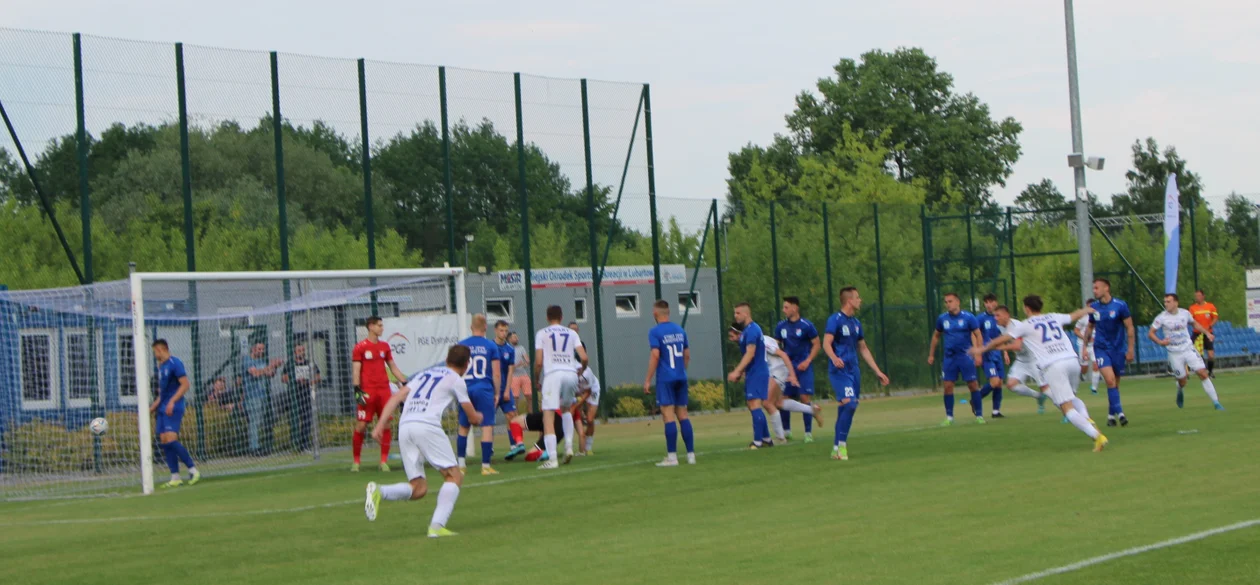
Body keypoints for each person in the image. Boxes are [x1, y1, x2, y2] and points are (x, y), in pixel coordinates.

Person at [363, 345, 479, 538]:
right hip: (426, 426)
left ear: (447, 358)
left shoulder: (425, 375)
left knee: (419, 488)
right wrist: (479, 417)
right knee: (454, 476)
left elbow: (397, 396)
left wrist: (379, 425)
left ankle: (379, 491)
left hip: (406, 426)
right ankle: (436, 527)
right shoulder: (456, 380)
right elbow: (472, 417)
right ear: (466, 365)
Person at [972, 295, 1108, 452]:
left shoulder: (1026, 324)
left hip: (1055, 365)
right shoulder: (1053, 316)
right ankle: (1086, 418)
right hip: (1072, 361)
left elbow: (1002, 339)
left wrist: (982, 348)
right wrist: (1088, 309)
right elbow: (1074, 315)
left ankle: (1097, 436)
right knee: (1071, 398)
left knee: (1066, 408)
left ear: (1027, 308)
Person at [822, 287, 890, 460]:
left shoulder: (856, 323)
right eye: (858, 298)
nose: (860, 301)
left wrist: (877, 371)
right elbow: (826, 343)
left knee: (847, 407)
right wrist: (834, 358)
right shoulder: (835, 320)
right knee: (850, 404)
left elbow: (863, 348)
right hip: (839, 370)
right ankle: (842, 447)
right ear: (849, 301)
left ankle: (836, 447)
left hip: (854, 370)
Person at [352, 316, 410, 472]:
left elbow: (393, 367)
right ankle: (356, 462)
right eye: (379, 325)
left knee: (386, 424)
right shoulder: (360, 347)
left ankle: (383, 461)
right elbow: (356, 370)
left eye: (382, 325)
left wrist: (405, 383)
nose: (382, 328)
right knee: (361, 425)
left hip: (383, 391)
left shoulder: (384, 347)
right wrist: (357, 390)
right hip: (367, 392)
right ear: (371, 327)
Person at [534, 305, 589, 469]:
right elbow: (584, 357)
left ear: (547, 317)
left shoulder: (542, 333)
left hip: (553, 375)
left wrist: (537, 378)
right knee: (566, 409)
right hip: (570, 374)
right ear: (562, 317)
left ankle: (552, 459)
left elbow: (538, 362)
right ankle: (569, 447)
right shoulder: (571, 333)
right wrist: (581, 370)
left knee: (548, 415)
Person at [1148, 293, 1224, 410]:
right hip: (1174, 353)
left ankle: (1216, 403)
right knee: (1183, 380)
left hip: (1188, 349)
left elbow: (1195, 324)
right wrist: (1160, 342)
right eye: (1165, 302)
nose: (1166, 304)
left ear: (1176, 303)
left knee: (1202, 373)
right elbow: (1151, 333)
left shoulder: (1185, 313)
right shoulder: (1161, 317)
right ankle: (1180, 389)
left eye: (1168, 301)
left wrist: (1207, 333)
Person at [644, 299, 695, 466]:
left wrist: (648, 379)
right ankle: (691, 455)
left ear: (655, 314)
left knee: (668, 415)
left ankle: (672, 457)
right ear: (669, 313)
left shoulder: (655, 332)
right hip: (681, 376)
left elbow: (655, 355)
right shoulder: (680, 330)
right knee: (683, 415)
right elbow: (687, 355)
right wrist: (683, 371)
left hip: (666, 378)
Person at [927, 293, 984, 426]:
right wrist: (931, 354)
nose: (948, 304)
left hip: (965, 356)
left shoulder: (969, 317)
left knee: (973, 384)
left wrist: (978, 353)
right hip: (950, 357)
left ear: (957, 302)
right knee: (947, 386)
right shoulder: (942, 319)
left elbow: (978, 335)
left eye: (950, 301)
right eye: (946, 302)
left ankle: (979, 415)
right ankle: (949, 417)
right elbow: (936, 336)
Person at [1085, 278, 1135, 427]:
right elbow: (1089, 327)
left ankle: (1110, 416)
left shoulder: (1120, 305)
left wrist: (1130, 349)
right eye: (1093, 288)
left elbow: (1130, 327)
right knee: (1109, 380)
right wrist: (1084, 349)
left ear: (1106, 288)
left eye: (1096, 288)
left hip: (1118, 349)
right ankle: (1121, 414)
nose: (1094, 291)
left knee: (1114, 384)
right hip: (1100, 348)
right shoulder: (1094, 307)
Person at [150, 339, 200, 487]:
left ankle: (193, 469)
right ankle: (175, 476)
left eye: (155, 352)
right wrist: (152, 407)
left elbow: (185, 385)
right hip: (163, 407)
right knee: (164, 441)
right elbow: (163, 393)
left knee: (171, 439)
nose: (154, 355)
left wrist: (172, 402)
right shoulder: (161, 367)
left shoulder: (175, 363)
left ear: (160, 350)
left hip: (174, 406)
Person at [457, 314, 502, 475]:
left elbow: (455, 370)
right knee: (487, 426)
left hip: (465, 388)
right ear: (485, 328)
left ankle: (461, 465)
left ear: (471, 327)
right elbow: (496, 373)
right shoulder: (491, 346)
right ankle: (485, 466)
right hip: (484, 388)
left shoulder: (461, 345)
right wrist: (497, 392)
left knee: (463, 426)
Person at [727, 302, 773, 449]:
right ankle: (766, 439)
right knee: (751, 404)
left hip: (758, 371)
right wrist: (743, 371)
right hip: (753, 371)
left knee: (754, 404)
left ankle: (757, 442)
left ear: (746, 314)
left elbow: (750, 353)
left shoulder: (753, 330)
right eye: (735, 313)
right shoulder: (746, 331)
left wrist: (737, 371)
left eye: (738, 313)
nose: (736, 316)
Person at [774, 296, 820, 441]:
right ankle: (787, 431)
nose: (784, 310)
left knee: (804, 397)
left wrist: (808, 360)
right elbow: (776, 347)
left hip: (803, 367)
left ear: (795, 308)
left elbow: (817, 344)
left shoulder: (807, 325)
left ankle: (808, 433)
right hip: (787, 368)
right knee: (783, 398)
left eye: (786, 307)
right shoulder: (781, 326)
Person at [992, 306, 1052, 414]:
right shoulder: (1000, 327)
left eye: (998, 315)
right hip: (1021, 360)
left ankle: (1068, 410)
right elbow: (1004, 338)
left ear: (1006, 315)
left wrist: (999, 348)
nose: (995, 318)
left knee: (1046, 389)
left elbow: (1017, 346)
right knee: (1011, 385)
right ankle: (1038, 397)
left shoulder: (1016, 326)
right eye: (994, 315)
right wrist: (1005, 352)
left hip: (1034, 359)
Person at [242, 341, 284, 456]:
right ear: (253, 349)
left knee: (260, 421)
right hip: (252, 396)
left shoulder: (261, 361)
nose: (261, 351)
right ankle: (254, 448)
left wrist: (275, 366)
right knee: (254, 422)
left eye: (262, 349)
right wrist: (270, 366)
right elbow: (255, 373)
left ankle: (259, 445)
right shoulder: (247, 360)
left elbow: (270, 374)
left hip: (263, 395)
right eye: (259, 349)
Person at [493, 321, 526, 459]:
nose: (504, 333)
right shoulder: (490, 347)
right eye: (501, 330)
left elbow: (510, 371)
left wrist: (507, 391)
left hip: (505, 388)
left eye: (505, 331)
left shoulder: (510, 349)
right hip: (491, 389)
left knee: (512, 415)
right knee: (488, 420)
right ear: (495, 331)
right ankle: (489, 447)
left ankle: (515, 445)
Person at [281, 344, 320, 451]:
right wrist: (294, 379)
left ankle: (305, 444)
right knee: (294, 420)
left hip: (307, 395)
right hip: (294, 396)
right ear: (294, 352)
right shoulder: (290, 364)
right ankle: (295, 443)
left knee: (307, 420)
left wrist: (309, 381)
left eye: (302, 350)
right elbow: (283, 378)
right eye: (299, 350)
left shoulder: (309, 363)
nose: (301, 352)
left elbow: (318, 376)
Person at [975, 293, 1008, 418]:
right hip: (987, 354)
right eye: (986, 302)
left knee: (999, 383)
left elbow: (1002, 336)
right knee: (994, 381)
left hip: (997, 353)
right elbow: (975, 334)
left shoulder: (999, 318)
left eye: (991, 302)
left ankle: (995, 411)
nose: (989, 305)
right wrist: (978, 351)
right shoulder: (980, 319)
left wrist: (1005, 352)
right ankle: (975, 399)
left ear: (996, 302)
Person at [1189, 289, 1219, 378]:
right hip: (1197, 333)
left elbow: (1215, 318)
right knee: (1196, 353)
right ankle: (1201, 371)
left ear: (1203, 296)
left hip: (1208, 333)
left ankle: (1210, 372)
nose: (1197, 298)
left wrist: (1209, 326)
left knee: (1210, 354)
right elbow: (1191, 320)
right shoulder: (1192, 308)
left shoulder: (1210, 306)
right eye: (1196, 296)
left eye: (1198, 296)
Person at [1073, 299, 1101, 394]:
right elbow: (1076, 330)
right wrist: (1085, 338)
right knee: (1084, 367)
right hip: (1083, 344)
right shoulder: (1083, 318)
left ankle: (1094, 388)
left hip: (1094, 344)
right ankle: (1082, 374)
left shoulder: (1098, 316)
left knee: (1096, 365)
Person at [575, 362, 601, 456]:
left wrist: (577, 405)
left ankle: (588, 447)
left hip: (592, 390)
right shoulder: (569, 371)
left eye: (580, 369)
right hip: (578, 390)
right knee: (579, 419)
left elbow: (588, 392)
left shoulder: (587, 373)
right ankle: (581, 446)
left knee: (589, 419)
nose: (578, 371)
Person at [509, 331, 533, 414]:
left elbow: (527, 360)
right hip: (514, 377)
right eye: (514, 337)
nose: (516, 338)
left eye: (516, 337)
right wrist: (517, 365)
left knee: (529, 397)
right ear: (509, 339)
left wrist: (525, 362)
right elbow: (509, 367)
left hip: (523, 375)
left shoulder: (521, 348)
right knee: (515, 398)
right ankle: (517, 418)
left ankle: (531, 417)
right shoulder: (508, 349)